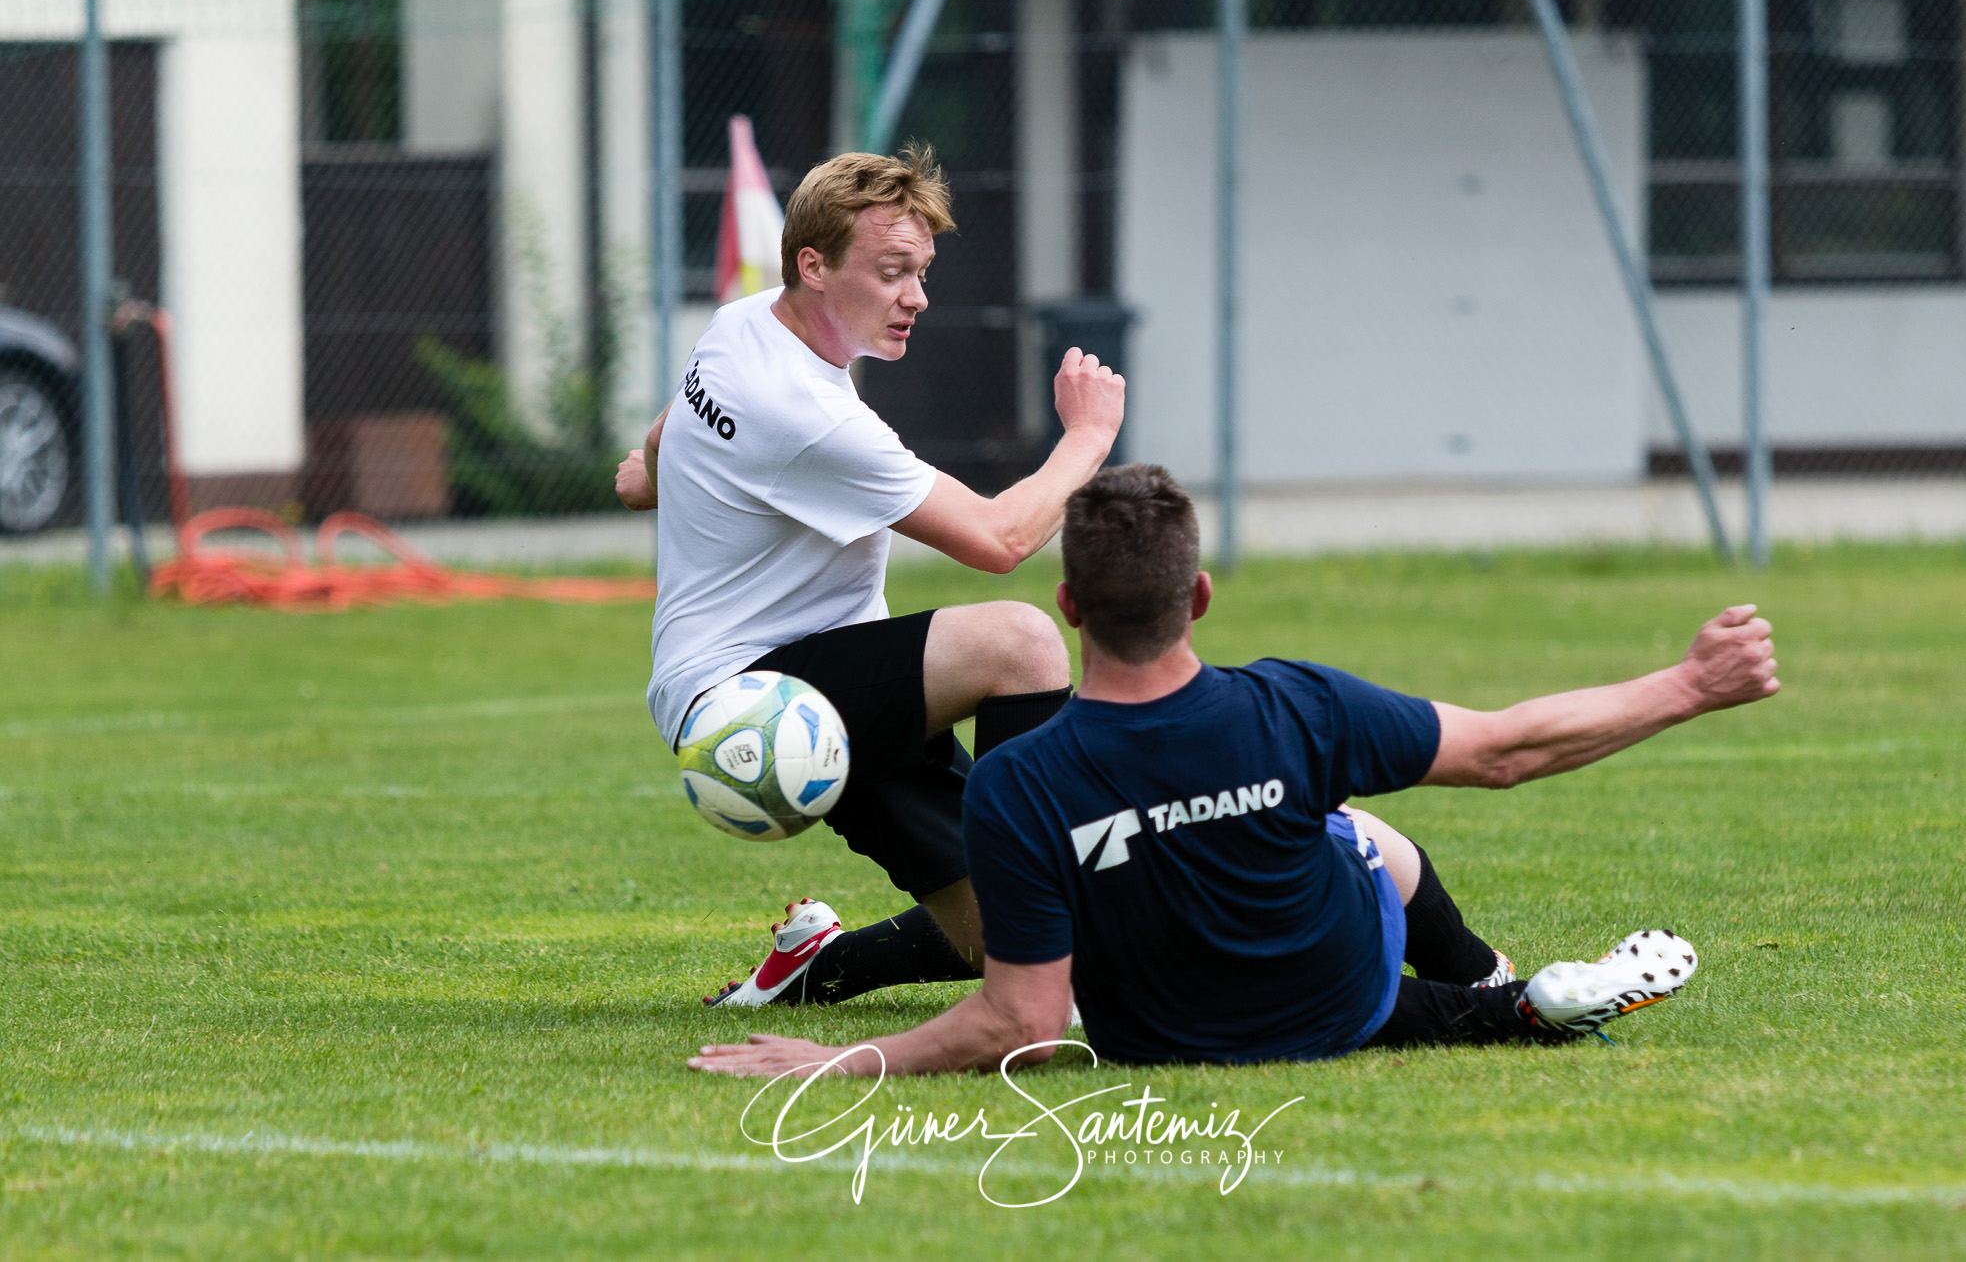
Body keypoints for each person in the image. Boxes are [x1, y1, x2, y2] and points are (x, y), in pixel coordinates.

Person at [688, 464, 1779, 1077]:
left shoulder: (1017, 783)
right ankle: (1493, 992)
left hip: (1152, 1041)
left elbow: (1019, 1021)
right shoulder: (1296, 707)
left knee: (1100, 880)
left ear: (1067, 609)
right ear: (1197, 596)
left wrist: (835, 1066)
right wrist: (1688, 685)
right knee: (1357, 833)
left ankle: (1500, 999)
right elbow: (1504, 750)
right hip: (1340, 998)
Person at [614, 146, 1124, 1009]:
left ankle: (817, 961)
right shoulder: (809, 418)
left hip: (798, 680)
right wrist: (1087, 439)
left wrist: (649, 474)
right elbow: (1000, 539)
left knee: (1020, 942)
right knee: (1023, 641)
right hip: (760, 700)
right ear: (813, 265)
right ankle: (1042, 869)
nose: (916, 297)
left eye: (921, 272)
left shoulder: (742, 323)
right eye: (892, 272)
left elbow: (674, 420)